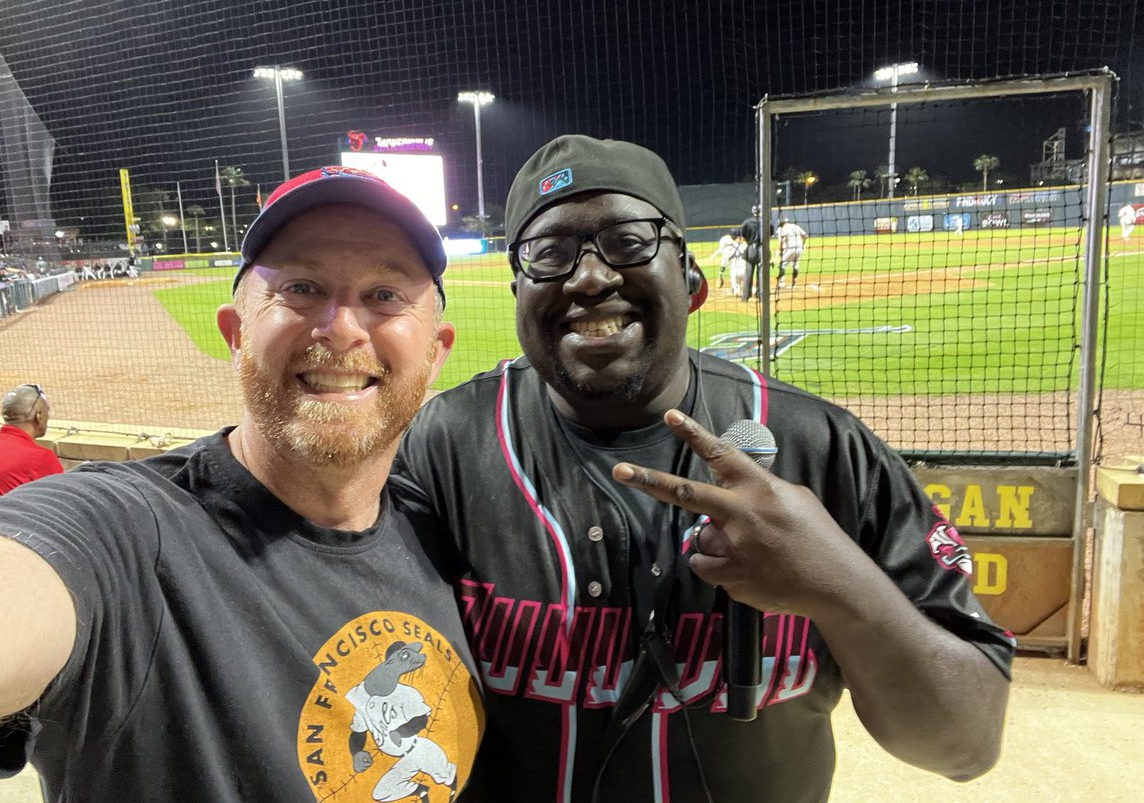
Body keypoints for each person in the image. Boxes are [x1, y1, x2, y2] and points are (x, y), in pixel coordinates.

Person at [392, 135, 1013, 802]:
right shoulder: (443, 445)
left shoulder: (820, 445)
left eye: (628, 241)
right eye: (550, 255)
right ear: (518, 291)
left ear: (692, 281)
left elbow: (966, 745)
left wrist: (841, 586)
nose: (590, 277)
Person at [0, 166, 484, 801]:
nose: (342, 328)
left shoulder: (444, 530)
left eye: (387, 296)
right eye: (302, 287)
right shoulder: (129, 535)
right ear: (234, 334)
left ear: (437, 352)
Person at [738, 205, 764, 300]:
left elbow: (743, 237)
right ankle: (761, 295)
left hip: (750, 249)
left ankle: (745, 297)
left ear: (752, 211)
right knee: (762, 273)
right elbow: (771, 235)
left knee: (748, 272)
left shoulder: (746, 222)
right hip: (763, 249)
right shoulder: (765, 221)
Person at [775, 216, 809, 288]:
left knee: (782, 265)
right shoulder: (795, 226)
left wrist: (778, 250)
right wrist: (803, 245)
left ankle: (781, 283)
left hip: (790, 248)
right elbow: (805, 236)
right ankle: (794, 284)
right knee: (795, 265)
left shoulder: (782, 229)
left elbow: (780, 241)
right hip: (799, 248)